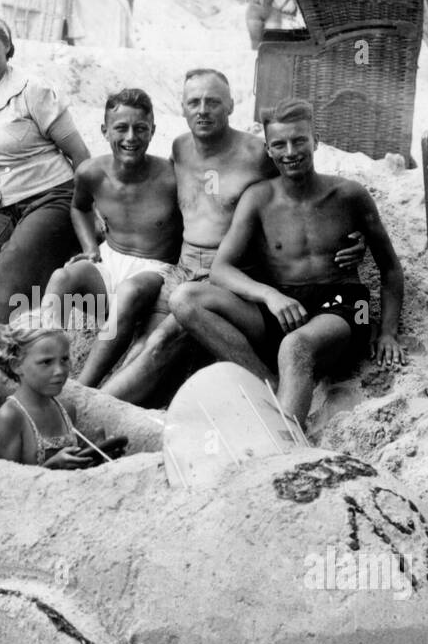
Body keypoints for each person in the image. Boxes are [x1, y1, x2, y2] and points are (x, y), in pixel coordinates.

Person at [100, 69, 365, 405]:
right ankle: (86, 398)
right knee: (141, 345)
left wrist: (353, 239)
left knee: (162, 343)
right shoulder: (180, 148)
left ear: (230, 105)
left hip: (230, 278)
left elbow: (300, 194)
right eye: (194, 102)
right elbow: (172, 197)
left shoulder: (259, 153)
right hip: (183, 268)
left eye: (213, 101)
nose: (203, 109)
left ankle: (91, 411)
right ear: (181, 107)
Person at [174, 98, 404, 430]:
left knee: (295, 345)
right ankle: (271, 387)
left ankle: (283, 437)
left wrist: (387, 332)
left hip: (346, 305)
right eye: (279, 144)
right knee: (185, 300)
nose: (290, 151)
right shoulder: (259, 198)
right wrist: (269, 295)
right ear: (268, 150)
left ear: (316, 141)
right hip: (285, 303)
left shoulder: (350, 195)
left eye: (299, 140)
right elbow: (222, 268)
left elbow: (390, 269)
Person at [0, 13, 91, 355]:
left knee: (12, 263)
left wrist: (88, 210)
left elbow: (80, 156)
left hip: (51, 195)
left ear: (7, 47)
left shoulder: (33, 90)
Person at [41, 88, 180, 387]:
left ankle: (83, 388)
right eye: (121, 128)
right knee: (61, 277)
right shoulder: (92, 171)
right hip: (110, 258)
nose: (131, 137)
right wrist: (90, 248)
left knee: (128, 293)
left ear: (153, 131)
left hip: (155, 270)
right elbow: (79, 208)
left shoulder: (171, 177)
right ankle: (42, 366)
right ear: (105, 131)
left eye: (140, 128)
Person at [0, 322, 96, 469]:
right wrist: (52, 465)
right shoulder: (11, 417)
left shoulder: (66, 410)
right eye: (46, 362)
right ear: (17, 366)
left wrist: (96, 454)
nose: (59, 370)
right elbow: (8, 482)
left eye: (64, 359)